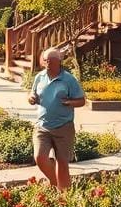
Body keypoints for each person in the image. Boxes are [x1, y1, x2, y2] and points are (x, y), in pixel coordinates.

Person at [28, 47, 85, 191]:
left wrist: (70, 102)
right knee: (39, 157)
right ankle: (54, 182)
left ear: (59, 62)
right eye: (46, 60)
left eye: (51, 61)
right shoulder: (39, 77)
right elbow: (32, 93)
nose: (47, 63)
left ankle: (64, 196)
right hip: (42, 126)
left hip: (63, 127)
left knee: (62, 163)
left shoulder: (68, 79)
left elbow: (81, 101)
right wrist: (31, 98)